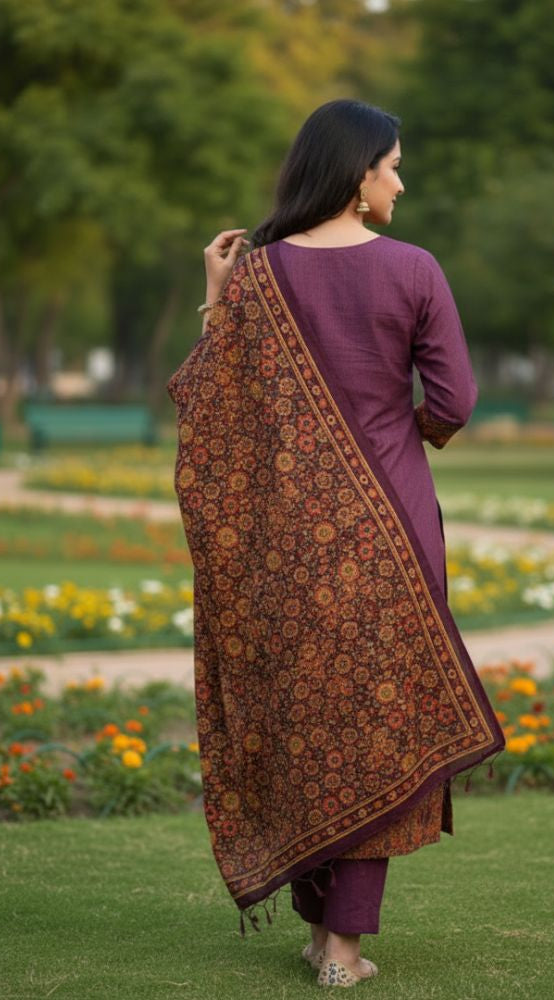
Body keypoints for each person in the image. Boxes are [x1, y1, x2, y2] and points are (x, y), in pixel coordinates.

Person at [167, 98, 505, 989]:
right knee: (375, 729)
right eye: (393, 166)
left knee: (306, 724)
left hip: (287, 543)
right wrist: (401, 433)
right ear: (359, 176)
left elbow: (210, 408)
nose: (401, 182)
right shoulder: (414, 269)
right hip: (394, 527)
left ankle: (323, 935)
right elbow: (454, 402)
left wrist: (217, 296)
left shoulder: (257, 278)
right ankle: (342, 950)